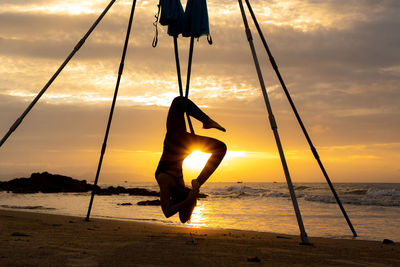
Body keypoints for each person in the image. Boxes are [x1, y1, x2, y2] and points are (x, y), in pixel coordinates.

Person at [155, 96, 227, 223]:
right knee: (220, 149)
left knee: (179, 102)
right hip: (178, 140)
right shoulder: (178, 187)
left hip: (179, 141)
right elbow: (182, 217)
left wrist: (189, 199)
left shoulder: (166, 182)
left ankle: (207, 121)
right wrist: (190, 198)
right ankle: (206, 121)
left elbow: (167, 212)